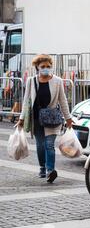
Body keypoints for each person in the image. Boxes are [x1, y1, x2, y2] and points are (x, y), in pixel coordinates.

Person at [17, 54, 73, 183]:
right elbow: (26, 101)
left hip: (52, 119)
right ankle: (42, 167)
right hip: (36, 118)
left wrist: (68, 118)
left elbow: (63, 101)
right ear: (37, 67)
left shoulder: (58, 81)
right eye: (43, 66)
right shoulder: (31, 81)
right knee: (40, 145)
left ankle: (50, 170)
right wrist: (21, 119)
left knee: (49, 145)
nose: (46, 69)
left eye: (48, 66)